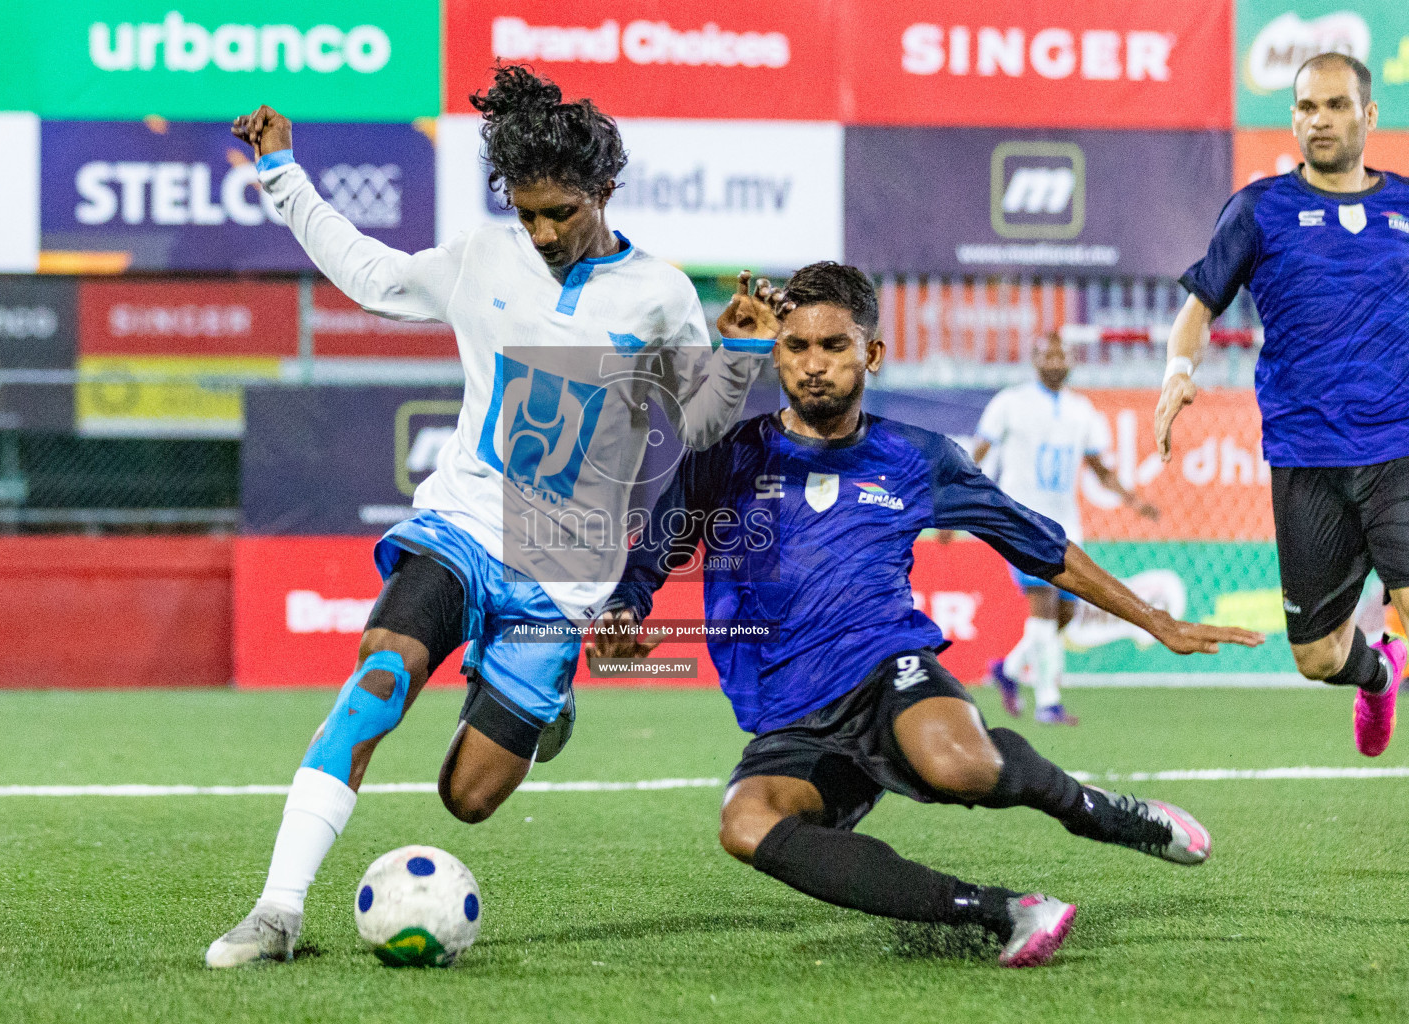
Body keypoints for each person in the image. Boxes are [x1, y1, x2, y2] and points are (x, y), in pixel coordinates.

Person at [207, 66, 776, 967]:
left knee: (466, 799)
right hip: (462, 529)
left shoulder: (659, 294)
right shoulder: (484, 256)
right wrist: (282, 172)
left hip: (565, 572)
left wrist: (740, 348)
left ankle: (547, 708)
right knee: (380, 680)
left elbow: (700, 425)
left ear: (604, 190)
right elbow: (372, 275)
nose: (543, 232)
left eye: (560, 212)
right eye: (526, 212)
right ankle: (276, 911)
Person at [591, 263, 1262, 967]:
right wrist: (623, 613)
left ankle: (1095, 810)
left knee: (958, 767)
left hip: (886, 669)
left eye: (833, 347)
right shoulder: (725, 456)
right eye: (795, 347)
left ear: (871, 355)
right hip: (789, 716)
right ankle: (1000, 910)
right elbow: (652, 554)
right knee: (745, 823)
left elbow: (1042, 545)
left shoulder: (914, 457)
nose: (813, 366)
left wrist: (1157, 619)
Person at [1157, 52, 1409, 756]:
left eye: (1334, 105)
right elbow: (1198, 309)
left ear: (1369, 114)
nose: (1318, 120)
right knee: (1319, 658)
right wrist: (1179, 370)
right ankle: (1379, 674)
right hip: (1305, 456)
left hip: (1399, 448)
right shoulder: (1259, 209)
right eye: (1305, 107)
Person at [973, 335, 1158, 725]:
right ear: (1034, 358)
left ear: (1071, 360)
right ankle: (1048, 702)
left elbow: (1100, 469)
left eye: (1061, 354)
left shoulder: (1082, 411)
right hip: (1021, 520)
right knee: (1044, 605)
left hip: (1065, 523)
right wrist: (958, 498)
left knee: (1067, 612)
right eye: (1047, 353)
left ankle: (1007, 669)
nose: (1055, 360)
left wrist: (1134, 501)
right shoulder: (1010, 403)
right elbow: (978, 453)